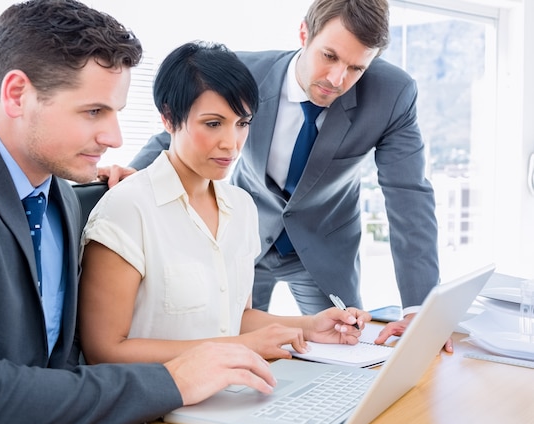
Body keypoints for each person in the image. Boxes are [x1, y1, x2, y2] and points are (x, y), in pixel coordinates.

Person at [0, 2, 277, 424]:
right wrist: (176, 380)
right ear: (17, 94)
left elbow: (57, 364)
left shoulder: (60, 195)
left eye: (116, 112)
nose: (115, 137)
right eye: (93, 112)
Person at [103, 0, 446, 350]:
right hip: (239, 236)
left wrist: (421, 308)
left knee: (341, 346)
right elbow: (180, 128)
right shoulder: (245, 72)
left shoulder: (392, 94)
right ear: (304, 34)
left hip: (322, 244)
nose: (337, 79)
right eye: (329, 56)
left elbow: (409, 195)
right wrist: (137, 172)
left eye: (356, 67)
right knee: (233, 341)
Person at [79, 41, 370, 365]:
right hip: (158, 404)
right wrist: (239, 348)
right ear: (169, 118)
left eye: (242, 123)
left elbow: (234, 318)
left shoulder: (241, 207)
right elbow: (104, 350)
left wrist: (309, 326)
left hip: (228, 391)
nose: (231, 144)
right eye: (213, 123)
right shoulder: (128, 208)